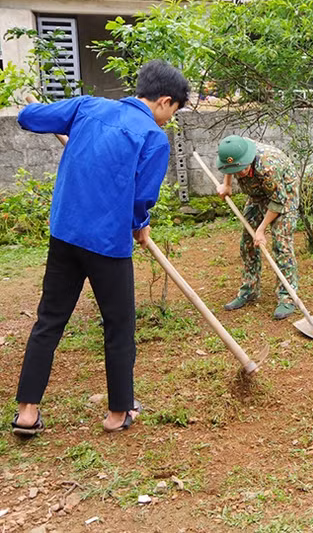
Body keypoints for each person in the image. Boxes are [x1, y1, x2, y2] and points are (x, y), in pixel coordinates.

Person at [11, 60, 189, 436]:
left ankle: (27, 412)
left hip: (65, 235)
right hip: (108, 245)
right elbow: (142, 197)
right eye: (173, 111)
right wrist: (140, 223)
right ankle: (118, 413)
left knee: (49, 320)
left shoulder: (88, 107)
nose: (169, 119)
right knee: (119, 326)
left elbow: (28, 117)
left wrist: (36, 110)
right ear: (165, 101)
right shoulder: (153, 137)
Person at [215, 135, 299, 319]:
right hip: (257, 195)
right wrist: (227, 184)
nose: (240, 173)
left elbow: (277, 202)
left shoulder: (268, 167)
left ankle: (287, 297)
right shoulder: (236, 151)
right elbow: (229, 166)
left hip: (284, 198)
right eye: (236, 171)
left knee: (282, 246)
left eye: (243, 169)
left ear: (249, 159)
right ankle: (250, 290)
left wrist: (261, 230)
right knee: (247, 243)